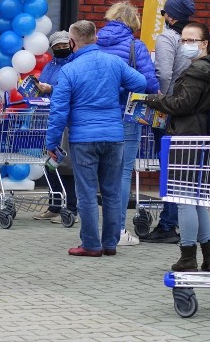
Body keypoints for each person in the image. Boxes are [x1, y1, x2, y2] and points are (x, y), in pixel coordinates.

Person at [46, 20, 146, 257]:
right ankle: (110, 243)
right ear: (95, 38)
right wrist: (118, 92)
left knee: (87, 193)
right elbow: (141, 83)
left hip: (83, 139)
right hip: (114, 135)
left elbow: (58, 111)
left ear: (72, 42)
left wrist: (52, 143)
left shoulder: (69, 70)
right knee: (111, 192)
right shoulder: (114, 62)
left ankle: (91, 244)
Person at [144, 0, 210, 244]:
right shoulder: (208, 37)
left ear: (170, 16)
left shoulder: (168, 39)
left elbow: (163, 75)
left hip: (175, 114)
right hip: (204, 117)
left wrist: (166, 103)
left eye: (164, 13)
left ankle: (169, 225)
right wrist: (205, 96)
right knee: (196, 174)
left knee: (173, 174)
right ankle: (199, 228)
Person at [140, 22, 210, 272]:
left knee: (185, 199)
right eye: (183, 41)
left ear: (205, 44)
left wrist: (154, 100)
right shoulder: (208, 69)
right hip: (198, 136)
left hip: (187, 138)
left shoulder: (197, 72)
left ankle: (188, 255)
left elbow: (182, 104)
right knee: (197, 200)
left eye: (191, 41)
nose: (185, 45)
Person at [95, 1, 159, 247]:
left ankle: (96, 229)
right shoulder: (135, 45)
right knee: (122, 174)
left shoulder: (96, 44)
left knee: (100, 173)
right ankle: (118, 230)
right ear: (133, 23)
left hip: (98, 116)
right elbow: (149, 83)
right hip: (127, 115)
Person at [33, 31, 79, 224]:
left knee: (65, 165)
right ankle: (54, 206)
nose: (61, 49)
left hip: (66, 119)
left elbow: (74, 89)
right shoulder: (50, 66)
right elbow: (42, 84)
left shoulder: (75, 65)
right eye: (57, 47)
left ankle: (71, 209)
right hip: (49, 117)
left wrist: (51, 89)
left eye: (63, 45)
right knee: (49, 163)